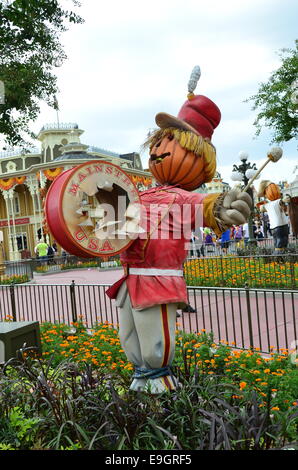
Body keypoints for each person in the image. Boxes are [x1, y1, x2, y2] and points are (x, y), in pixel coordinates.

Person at [106, 78, 252, 394]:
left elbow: (210, 207)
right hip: (130, 282)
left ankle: (162, 397)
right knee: (129, 342)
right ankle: (141, 390)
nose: (159, 152)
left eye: (171, 145)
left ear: (198, 158)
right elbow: (112, 227)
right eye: (158, 144)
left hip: (158, 283)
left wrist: (227, 208)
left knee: (154, 346)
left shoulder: (184, 199)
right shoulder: (138, 195)